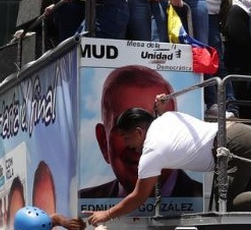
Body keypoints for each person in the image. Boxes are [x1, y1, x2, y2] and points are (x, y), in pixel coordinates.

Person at [86, 107, 251, 226]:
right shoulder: (165, 119)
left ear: (139, 132)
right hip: (246, 136)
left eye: (127, 138)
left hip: (233, 145)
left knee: (230, 204)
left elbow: (140, 196)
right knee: (247, 211)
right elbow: (164, 112)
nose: (128, 146)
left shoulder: (152, 150)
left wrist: (106, 214)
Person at [79, 65, 202, 198]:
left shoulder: (200, 197)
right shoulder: (86, 200)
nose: (142, 144)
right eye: (126, 126)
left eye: (156, 125)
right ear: (103, 141)